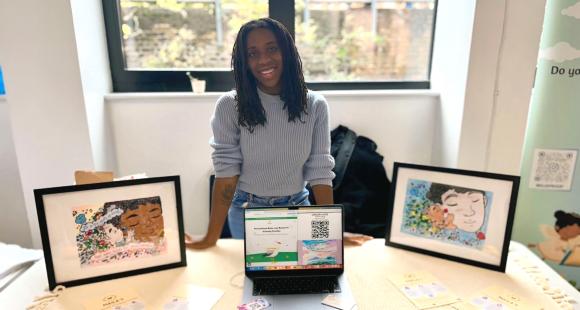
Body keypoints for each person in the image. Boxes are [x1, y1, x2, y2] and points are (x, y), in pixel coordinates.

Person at [186, 18, 371, 249]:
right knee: (251, 282)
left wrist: (332, 232)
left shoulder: (315, 105)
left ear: (287, 52)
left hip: (298, 208)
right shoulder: (229, 105)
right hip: (246, 211)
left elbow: (320, 171)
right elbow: (226, 173)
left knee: (301, 280)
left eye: (272, 49)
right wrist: (210, 238)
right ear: (244, 61)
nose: (263, 60)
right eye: (252, 53)